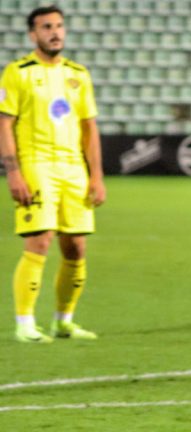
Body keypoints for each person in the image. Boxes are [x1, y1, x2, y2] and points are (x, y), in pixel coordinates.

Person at [0, 5, 105, 343]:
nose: (55, 32)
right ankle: (25, 323)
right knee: (40, 239)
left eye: (59, 26)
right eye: (47, 26)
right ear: (33, 34)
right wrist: (13, 173)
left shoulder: (79, 74)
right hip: (36, 163)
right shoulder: (17, 73)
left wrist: (97, 176)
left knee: (75, 246)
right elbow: (4, 124)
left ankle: (63, 321)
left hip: (73, 167)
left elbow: (90, 128)